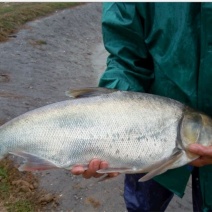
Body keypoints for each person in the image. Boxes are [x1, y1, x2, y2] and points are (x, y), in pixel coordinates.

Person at [72, 2, 212, 211]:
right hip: (146, 132)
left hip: (198, 131)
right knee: (142, 206)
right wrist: (111, 128)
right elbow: (126, 59)